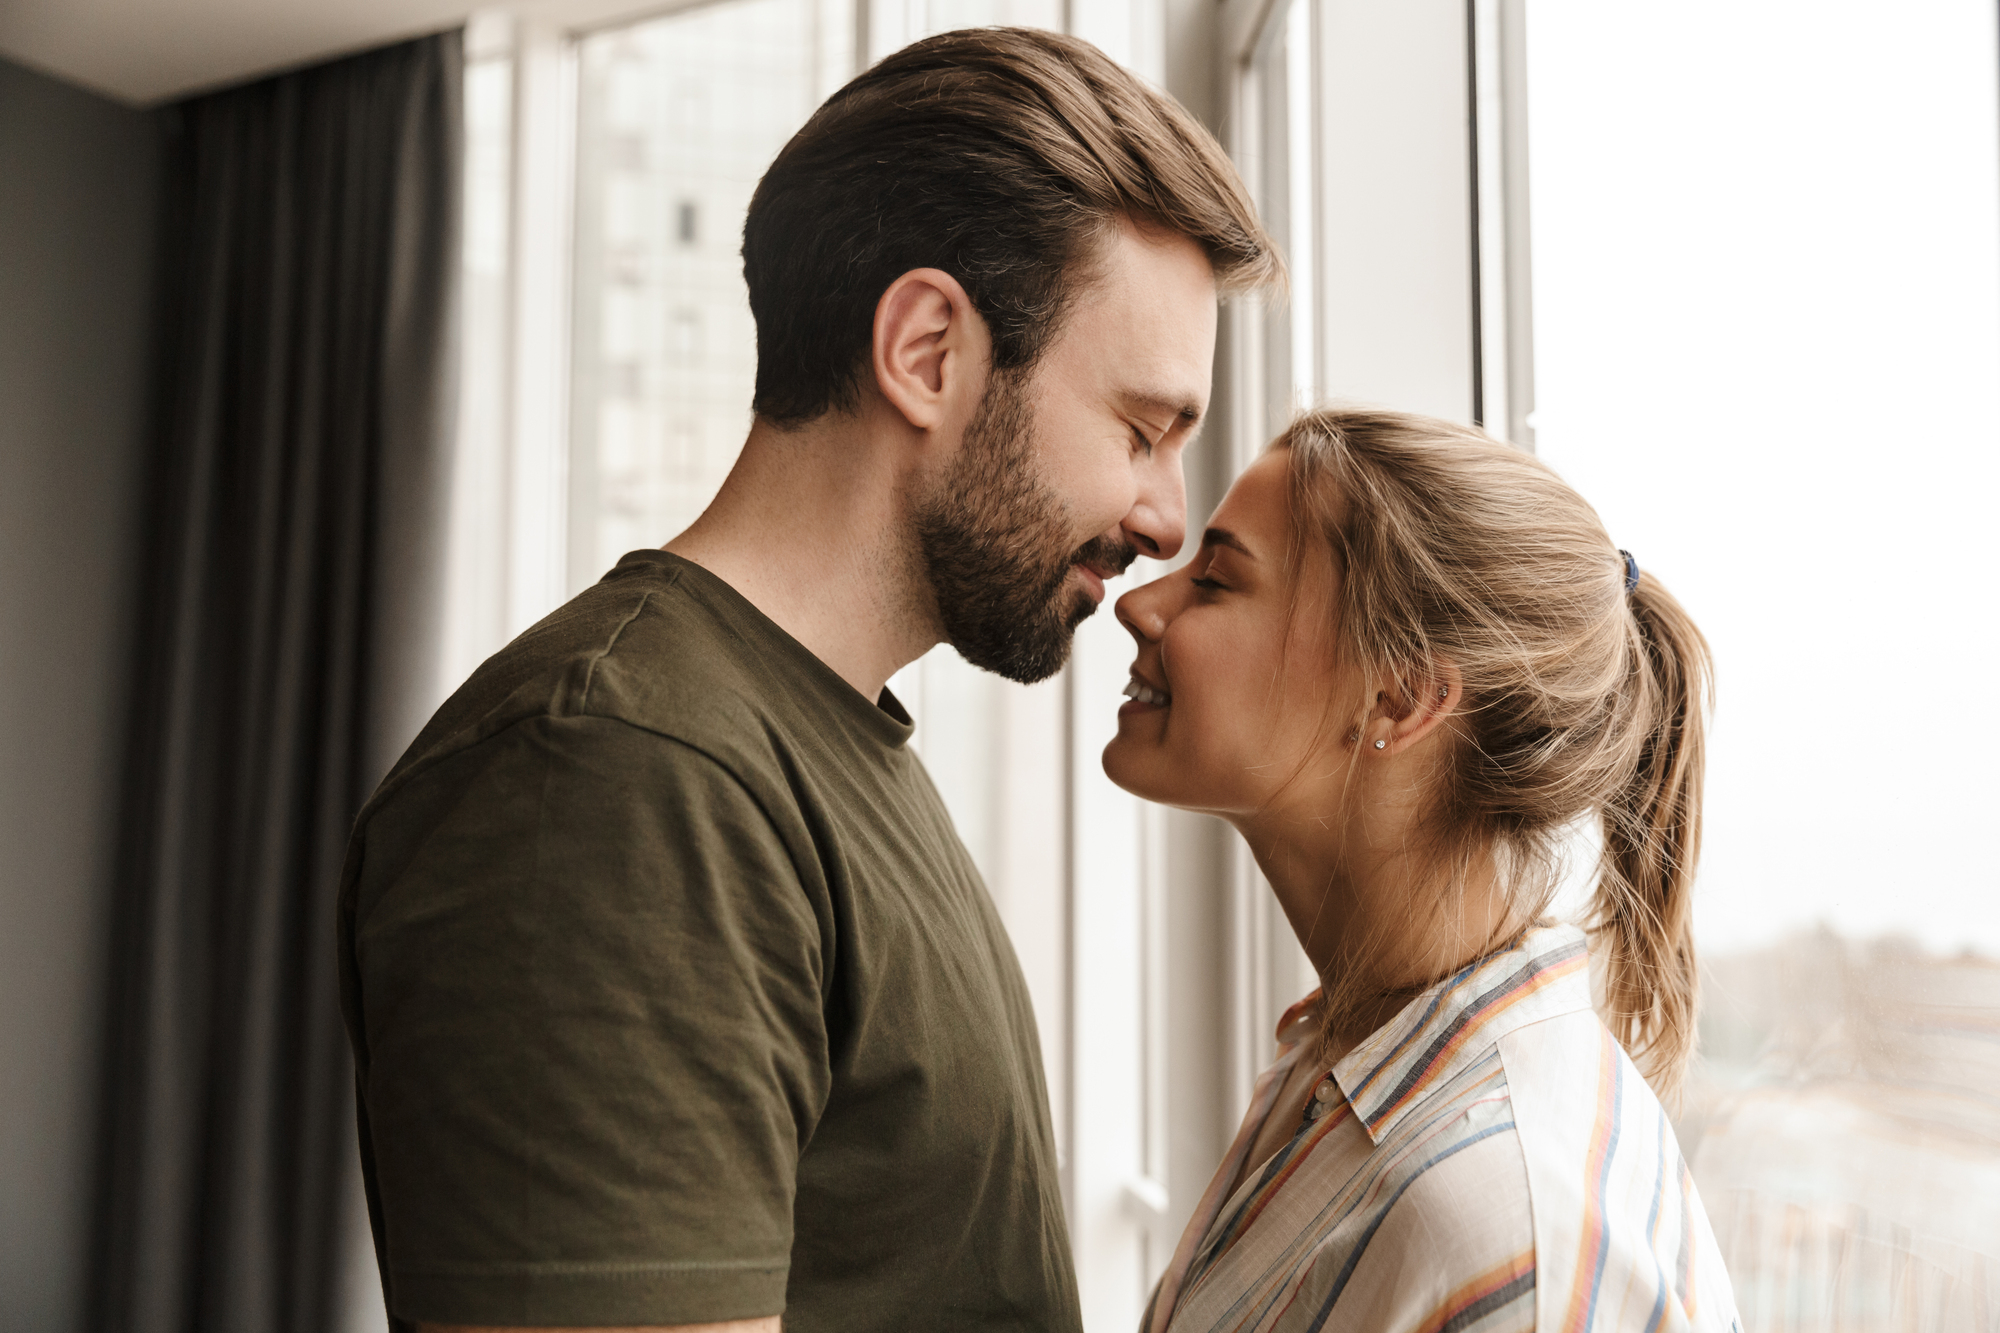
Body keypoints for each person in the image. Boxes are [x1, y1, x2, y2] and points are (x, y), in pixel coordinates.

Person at [336, 27, 1278, 1333]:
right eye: (1140, 428)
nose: (1167, 518)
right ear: (929, 351)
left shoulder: (819, 749)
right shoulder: (618, 775)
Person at [1105, 407, 1742, 1333]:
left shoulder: (1515, 1235)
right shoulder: (1338, 1065)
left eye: (1215, 579)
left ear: (1400, 693)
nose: (1140, 603)